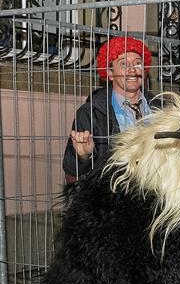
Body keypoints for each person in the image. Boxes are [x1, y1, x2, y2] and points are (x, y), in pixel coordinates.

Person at [63, 36, 156, 183]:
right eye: (124, 64)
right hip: (114, 198)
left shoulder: (162, 107)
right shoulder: (91, 112)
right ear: (110, 73)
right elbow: (71, 173)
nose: (132, 70)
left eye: (138, 63)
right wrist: (83, 156)